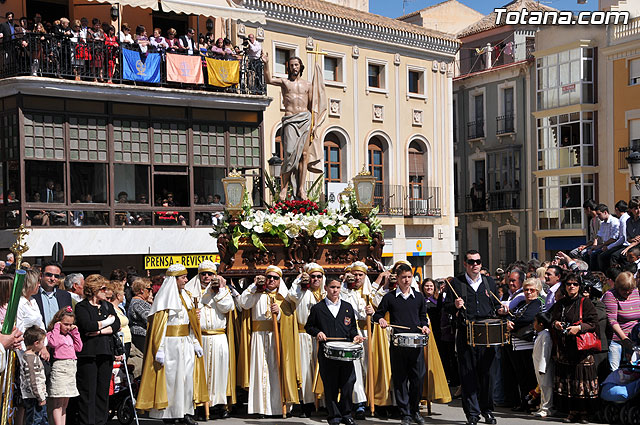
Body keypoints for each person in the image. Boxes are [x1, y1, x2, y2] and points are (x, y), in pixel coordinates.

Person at [137, 264, 208, 425]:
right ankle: (170, 414)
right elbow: (159, 328)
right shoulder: (164, 299)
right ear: (174, 280)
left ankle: (185, 412)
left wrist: (195, 342)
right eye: (183, 277)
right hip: (170, 345)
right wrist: (159, 349)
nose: (186, 280)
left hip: (186, 344)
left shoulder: (186, 296)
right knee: (171, 381)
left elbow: (190, 324)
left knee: (187, 379)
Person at [444, 250, 502, 425]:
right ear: (465, 264)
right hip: (466, 332)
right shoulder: (457, 283)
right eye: (471, 262)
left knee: (487, 375)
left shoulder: (488, 282)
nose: (475, 265)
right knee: (468, 374)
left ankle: (488, 410)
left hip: (486, 334)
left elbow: (495, 305)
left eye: (478, 261)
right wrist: (454, 305)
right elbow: (445, 307)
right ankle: (472, 413)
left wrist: (502, 311)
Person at [237, 265, 299, 416]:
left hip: (277, 337)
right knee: (259, 370)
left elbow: (290, 319)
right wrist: (253, 286)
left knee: (276, 370)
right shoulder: (256, 294)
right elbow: (243, 303)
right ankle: (259, 408)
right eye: (269, 277)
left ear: (280, 281)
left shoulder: (283, 298)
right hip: (258, 337)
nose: (271, 280)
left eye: (275, 278)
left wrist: (279, 314)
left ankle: (279, 407)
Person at [373, 262, 430, 425]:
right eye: (403, 277)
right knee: (400, 379)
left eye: (409, 277)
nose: (406, 280)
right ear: (397, 279)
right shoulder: (390, 297)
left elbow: (423, 316)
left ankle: (415, 411)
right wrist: (382, 319)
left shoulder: (418, 297)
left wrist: (425, 326)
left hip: (416, 343)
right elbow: (378, 315)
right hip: (398, 343)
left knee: (418, 378)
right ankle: (405, 413)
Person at [262, 52, 323, 200]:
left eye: (296, 65)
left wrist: (315, 125)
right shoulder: (285, 82)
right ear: (288, 68)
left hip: (305, 119)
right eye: (291, 65)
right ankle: (284, 188)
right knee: (289, 154)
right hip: (290, 119)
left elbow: (311, 106)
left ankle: (301, 188)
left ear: (300, 67)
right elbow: (268, 79)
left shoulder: (308, 85)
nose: (294, 67)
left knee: (303, 155)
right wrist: (266, 64)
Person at [305, 277, 365, 425]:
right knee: (330, 385)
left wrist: (356, 336)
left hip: (346, 353)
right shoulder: (318, 308)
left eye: (338, 287)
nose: (335, 290)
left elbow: (352, 328)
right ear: (326, 288)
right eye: (332, 287)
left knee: (348, 383)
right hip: (327, 353)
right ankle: (334, 416)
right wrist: (317, 332)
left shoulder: (347, 307)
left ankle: (346, 414)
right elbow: (309, 326)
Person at [184, 261, 235, 420]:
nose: (207, 277)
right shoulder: (190, 292)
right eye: (203, 274)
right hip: (201, 337)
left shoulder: (222, 290)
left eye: (210, 274)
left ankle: (219, 405)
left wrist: (218, 291)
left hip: (218, 337)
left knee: (220, 371)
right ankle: (200, 406)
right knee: (201, 373)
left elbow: (228, 307)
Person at [549, 272, 599, 423]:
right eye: (569, 284)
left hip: (581, 350)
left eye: (575, 284)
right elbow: (551, 320)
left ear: (579, 286)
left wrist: (579, 328)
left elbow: (594, 323)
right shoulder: (560, 303)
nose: (571, 286)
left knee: (582, 380)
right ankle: (571, 411)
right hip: (565, 348)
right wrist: (556, 324)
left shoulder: (585, 302)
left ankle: (584, 413)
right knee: (569, 381)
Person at [75, 274, 121, 425]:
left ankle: (101, 422)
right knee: (88, 392)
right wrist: (106, 322)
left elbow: (116, 325)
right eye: (103, 288)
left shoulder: (107, 306)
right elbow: (87, 326)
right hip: (88, 354)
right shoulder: (82, 307)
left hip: (106, 353)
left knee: (103, 392)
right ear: (94, 289)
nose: (106, 291)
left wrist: (100, 330)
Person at [287, 262, 326, 417]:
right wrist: (299, 280)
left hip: (322, 337)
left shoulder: (326, 293)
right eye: (313, 276)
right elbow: (292, 296)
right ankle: (307, 403)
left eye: (319, 276)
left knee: (323, 369)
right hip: (304, 335)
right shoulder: (302, 292)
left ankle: (323, 401)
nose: (316, 279)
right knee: (305, 369)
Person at [505, 278, 542, 412]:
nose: (528, 292)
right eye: (526, 289)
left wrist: (512, 324)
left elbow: (527, 318)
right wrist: (509, 321)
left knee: (530, 375)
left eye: (532, 290)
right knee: (520, 375)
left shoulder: (536, 303)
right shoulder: (522, 303)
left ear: (537, 291)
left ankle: (533, 402)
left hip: (528, 345)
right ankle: (524, 401)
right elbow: (510, 314)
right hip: (516, 344)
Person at [46, 306, 82, 425]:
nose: (68, 327)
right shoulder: (53, 334)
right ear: (58, 322)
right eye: (65, 324)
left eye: (70, 324)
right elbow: (53, 343)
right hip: (60, 368)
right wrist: (56, 327)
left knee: (65, 404)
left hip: (71, 368)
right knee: (58, 402)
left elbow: (79, 347)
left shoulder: (69, 335)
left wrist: (75, 332)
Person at [602, 271, 640, 371]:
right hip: (616, 339)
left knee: (634, 369)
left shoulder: (636, 293)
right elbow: (612, 320)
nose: (627, 293)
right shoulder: (610, 295)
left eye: (630, 290)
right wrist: (624, 338)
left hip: (635, 338)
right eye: (624, 290)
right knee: (615, 370)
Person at [19, 326, 48, 425]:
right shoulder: (30, 358)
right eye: (42, 342)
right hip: (34, 397)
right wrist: (40, 397)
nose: (43, 345)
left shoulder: (31, 356)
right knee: (35, 421)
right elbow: (33, 380)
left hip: (37, 396)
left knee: (42, 420)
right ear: (36, 343)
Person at [32, 261, 72, 328]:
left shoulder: (65, 296)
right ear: (41, 275)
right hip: (39, 335)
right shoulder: (33, 294)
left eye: (56, 276)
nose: (52, 279)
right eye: (49, 275)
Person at [531, 312, 553, 418]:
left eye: (535, 321)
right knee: (542, 386)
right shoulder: (540, 334)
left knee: (546, 387)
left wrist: (542, 367)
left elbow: (546, 352)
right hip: (538, 365)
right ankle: (542, 406)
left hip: (543, 366)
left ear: (541, 324)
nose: (533, 323)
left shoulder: (546, 335)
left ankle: (546, 408)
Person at [586, 204, 620, 271]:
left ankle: (600, 274)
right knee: (587, 254)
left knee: (598, 255)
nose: (598, 217)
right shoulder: (603, 223)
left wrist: (602, 245)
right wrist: (594, 245)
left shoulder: (614, 221)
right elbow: (598, 235)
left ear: (605, 212)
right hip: (605, 245)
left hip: (613, 245)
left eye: (599, 214)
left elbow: (614, 238)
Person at [127, 277, 153, 353]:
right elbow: (149, 318)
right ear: (142, 290)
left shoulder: (140, 302)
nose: (150, 292)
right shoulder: (138, 303)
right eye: (148, 290)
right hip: (141, 336)